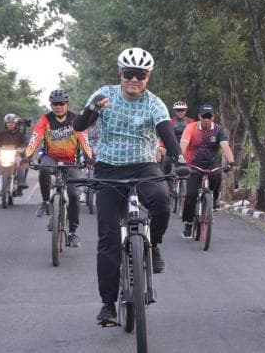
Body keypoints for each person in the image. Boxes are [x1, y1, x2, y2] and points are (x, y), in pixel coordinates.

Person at [73, 47, 188, 326]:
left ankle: (155, 244)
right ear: (120, 74)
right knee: (108, 238)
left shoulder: (154, 104)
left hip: (144, 165)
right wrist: (92, 109)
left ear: (147, 77)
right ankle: (108, 305)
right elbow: (79, 125)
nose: (134, 79)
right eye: (129, 74)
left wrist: (180, 160)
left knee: (161, 201)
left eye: (141, 75)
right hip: (109, 168)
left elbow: (167, 135)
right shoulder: (104, 96)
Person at [24, 89, 93, 248]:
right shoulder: (45, 119)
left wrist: (89, 157)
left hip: (71, 160)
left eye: (62, 104)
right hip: (52, 157)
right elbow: (35, 137)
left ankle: (73, 232)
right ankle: (45, 201)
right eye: (55, 104)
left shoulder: (76, 119)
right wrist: (28, 155)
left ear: (67, 105)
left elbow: (84, 140)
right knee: (43, 168)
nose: (59, 107)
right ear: (51, 105)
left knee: (74, 194)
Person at [179, 104, 236, 238]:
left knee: (217, 175)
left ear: (213, 117)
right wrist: (180, 160)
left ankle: (214, 200)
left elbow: (225, 146)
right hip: (193, 165)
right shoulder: (191, 128)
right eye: (204, 117)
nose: (206, 120)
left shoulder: (218, 130)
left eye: (209, 117)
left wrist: (231, 161)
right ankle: (188, 222)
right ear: (199, 117)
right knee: (191, 195)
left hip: (211, 164)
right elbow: (184, 143)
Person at [160, 101, 195, 174]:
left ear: (185, 111)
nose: (180, 112)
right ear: (175, 111)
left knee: (192, 170)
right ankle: (167, 182)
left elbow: (195, 135)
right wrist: (162, 146)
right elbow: (165, 135)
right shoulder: (170, 122)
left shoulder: (191, 122)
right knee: (166, 164)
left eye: (182, 110)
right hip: (171, 149)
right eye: (178, 110)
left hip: (187, 150)